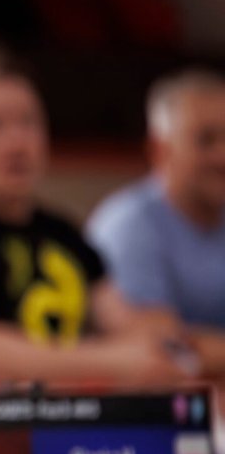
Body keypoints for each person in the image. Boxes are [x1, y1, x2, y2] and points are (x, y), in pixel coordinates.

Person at [0, 53, 190, 388]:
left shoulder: (64, 232)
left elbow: (134, 330)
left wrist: (152, 341)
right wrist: (116, 362)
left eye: (28, 122)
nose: (17, 143)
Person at [89, 69, 225, 377]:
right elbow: (164, 351)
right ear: (160, 150)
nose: (222, 155)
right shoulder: (129, 226)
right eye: (205, 140)